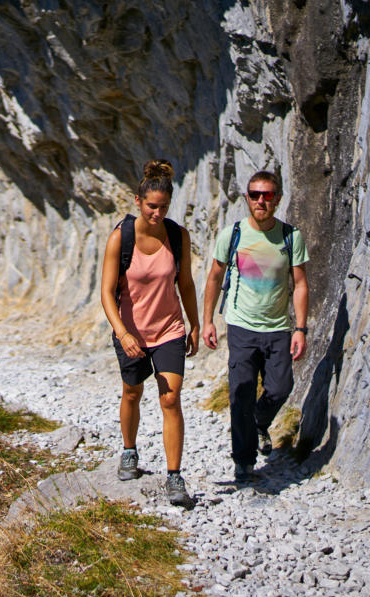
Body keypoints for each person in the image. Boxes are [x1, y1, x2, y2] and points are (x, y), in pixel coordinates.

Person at [101, 159, 199, 506]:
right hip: (132, 332)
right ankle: (129, 450)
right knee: (132, 392)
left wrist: (195, 323)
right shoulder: (120, 237)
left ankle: (174, 476)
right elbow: (106, 292)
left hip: (169, 329)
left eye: (164, 207)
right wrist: (122, 333)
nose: (157, 213)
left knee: (170, 398)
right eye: (152, 206)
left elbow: (185, 283)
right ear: (138, 202)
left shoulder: (177, 236)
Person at [202, 170, 309, 482]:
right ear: (247, 198)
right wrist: (208, 321)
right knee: (241, 394)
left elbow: (300, 284)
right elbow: (214, 277)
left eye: (268, 195)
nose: (261, 200)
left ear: (277, 198)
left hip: (278, 328)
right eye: (255, 195)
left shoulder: (291, 236)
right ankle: (244, 463)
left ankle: (260, 422)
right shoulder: (232, 234)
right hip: (241, 327)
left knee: (280, 387)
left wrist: (300, 329)